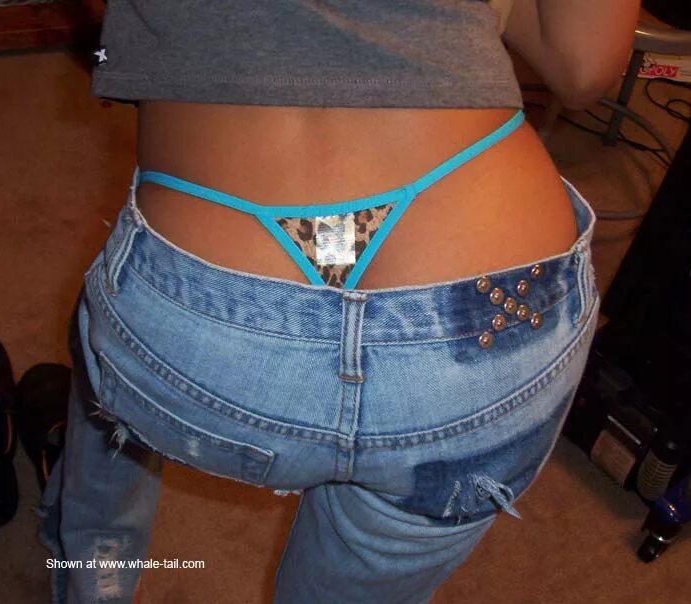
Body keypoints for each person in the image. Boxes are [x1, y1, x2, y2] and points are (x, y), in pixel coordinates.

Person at [37, 1, 641, 602]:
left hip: (198, 298)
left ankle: (96, 572)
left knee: (104, 340)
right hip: (483, 311)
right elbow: (583, 66)